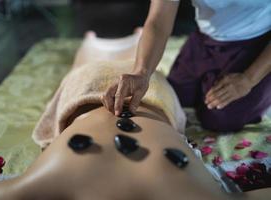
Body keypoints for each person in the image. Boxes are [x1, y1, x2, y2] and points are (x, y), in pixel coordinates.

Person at [0, 30, 269, 200]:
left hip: (92, 88)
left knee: (88, 61)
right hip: (150, 91)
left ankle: (96, 40)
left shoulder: (51, 180)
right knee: (116, 55)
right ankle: (125, 39)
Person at [102, 0, 271, 132]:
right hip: (205, 38)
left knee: (220, 118)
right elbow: (159, 20)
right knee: (175, 96)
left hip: (259, 41)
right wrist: (141, 72)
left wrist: (249, 79)